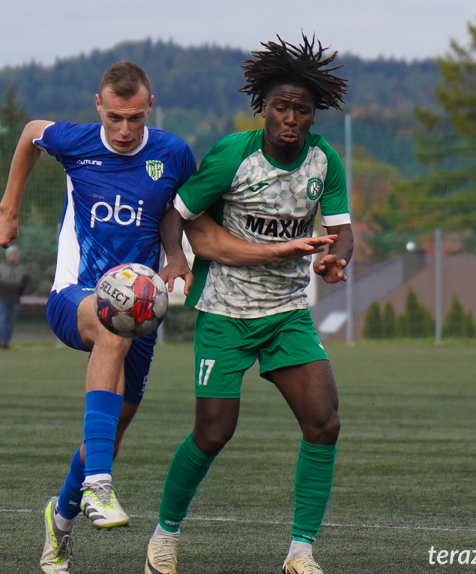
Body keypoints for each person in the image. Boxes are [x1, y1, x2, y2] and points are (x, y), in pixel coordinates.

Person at [144, 34, 353, 574]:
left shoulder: (324, 162)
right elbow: (178, 212)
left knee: (323, 422)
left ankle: (300, 552)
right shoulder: (233, 155)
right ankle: (164, 535)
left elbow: (342, 232)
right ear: (263, 108)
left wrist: (335, 260)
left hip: (286, 313)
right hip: (226, 314)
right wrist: (175, 259)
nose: (290, 118)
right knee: (214, 432)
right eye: (281, 107)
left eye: (301, 110)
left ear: (313, 116)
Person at [0, 62, 197, 573]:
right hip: (74, 294)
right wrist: (9, 209)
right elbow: (31, 133)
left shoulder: (172, 152)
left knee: (112, 429)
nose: (124, 130)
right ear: (98, 105)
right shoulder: (77, 141)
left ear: (150, 105)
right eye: (115, 117)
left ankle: (59, 520)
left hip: (144, 310)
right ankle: (99, 486)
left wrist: (175, 256)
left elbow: (175, 207)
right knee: (112, 319)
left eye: (134, 118)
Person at [0, 245, 29, 349]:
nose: (13, 256)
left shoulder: (22, 270)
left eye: (15, 254)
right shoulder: (0, 268)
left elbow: (24, 284)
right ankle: (0, 340)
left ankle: (6, 341)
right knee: (2, 320)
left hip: (14, 299)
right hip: (1, 298)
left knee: (10, 322)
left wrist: (18, 293)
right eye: (11, 254)